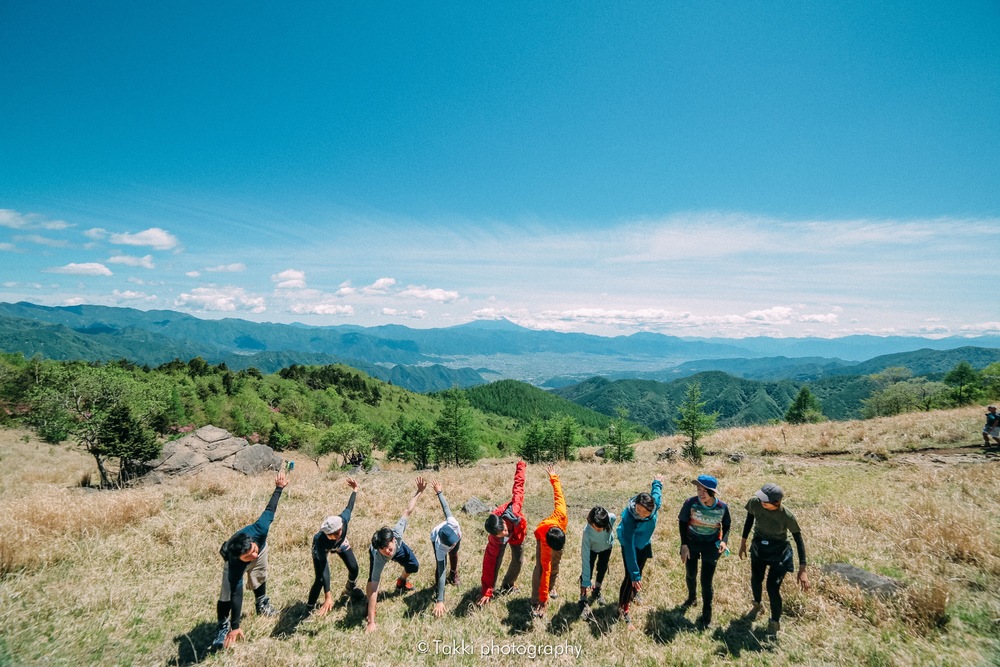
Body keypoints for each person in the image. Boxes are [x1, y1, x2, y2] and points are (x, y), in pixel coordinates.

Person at [212, 468, 289, 650]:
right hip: (235, 561)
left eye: (252, 551)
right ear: (239, 556)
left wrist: (279, 488)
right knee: (227, 595)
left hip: (262, 546)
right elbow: (237, 594)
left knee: (259, 575)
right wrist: (235, 626)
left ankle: (261, 603)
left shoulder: (260, 529)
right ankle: (223, 626)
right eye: (248, 556)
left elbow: (270, 508)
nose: (252, 557)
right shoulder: (234, 563)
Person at [738, 483, 810, 633]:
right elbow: (749, 520)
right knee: (756, 578)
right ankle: (757, 604)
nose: (761, 502)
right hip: (759, 546)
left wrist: (802, 568)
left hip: (779, 550)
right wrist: (743, 542)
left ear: (777, 502)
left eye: (766, 501)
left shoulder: (787, 516)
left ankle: (774, 622)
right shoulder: (755, 503)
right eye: (761, 498)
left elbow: (798, 539)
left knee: (772, 587)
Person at [365, 476, 428, 633]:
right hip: (376, 557)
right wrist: (371, 622)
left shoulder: (397, 533)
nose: (387, 550)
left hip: (399, 549)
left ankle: (401, 581)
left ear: (393, 539)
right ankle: (370, 609)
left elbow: (408, 510)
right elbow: (374, 587)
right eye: (383, 548)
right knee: (373, 582)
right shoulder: (378, 555)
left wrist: (419, 491)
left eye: (388, 546)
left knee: (413, 565)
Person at [678, 474, 731, 627]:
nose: (700, 493)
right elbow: (682, 523)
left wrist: (724, 541)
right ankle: (691, 598)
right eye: (698, 489)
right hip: (692, 542)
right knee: (691, 573)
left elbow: (727, 525)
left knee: (706, 581)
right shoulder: (690, 503)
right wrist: (684, 545)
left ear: (712, 492)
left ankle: (706, 615)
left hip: (711, 546)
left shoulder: (722, 507)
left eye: (704, 490)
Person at [308, 478, 361, 616]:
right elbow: (325, 568)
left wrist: (355, 489)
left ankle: (350, 588)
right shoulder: (320, 541)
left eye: (338, 533)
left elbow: (349, 507)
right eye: (331, 535)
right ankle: (308, 608)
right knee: (320, 579)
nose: (336, 536)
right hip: (323, 549)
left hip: (341, 546)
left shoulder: (343, 520)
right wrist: (328, 596)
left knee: (354, 568)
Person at [478, 461, 528, 606]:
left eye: (505, 530)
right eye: (501, 534)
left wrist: (521, 466)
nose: (505, 534)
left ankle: (508, 584)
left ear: (503, 522)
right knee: (495, 562)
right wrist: (486, 591)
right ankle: (491, 588)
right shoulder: (495, 538)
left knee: (518, 560)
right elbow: (488, 564)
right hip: (501, 544)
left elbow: (518, 487)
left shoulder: (514, 510)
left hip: (518, 535)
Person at [617, 475, 663, 630]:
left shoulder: (655, 505)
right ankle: (623, 609)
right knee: (630, 576)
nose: (641, 514)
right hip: (629, 543)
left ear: (652, 509)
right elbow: (629, 547)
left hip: (643, 542)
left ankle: (634, 592)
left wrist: (657, 482)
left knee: (640, 569)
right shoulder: (630, 518)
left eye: (645, 512)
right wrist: (635, 574)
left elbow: (656, 493)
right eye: (638, 509)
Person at [530, 465, 568, 617]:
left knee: (556, 563)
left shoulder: (561, 513)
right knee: (541, 568)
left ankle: (550, 587)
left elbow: (558, 495)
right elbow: (546, 570)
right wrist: (543, 600)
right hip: (543, 537)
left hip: (555, 536)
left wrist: (553, 477)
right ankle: (536, 599)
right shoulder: (545, 544)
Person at [429, 481, 462, 618]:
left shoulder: (453, 524)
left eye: (453, 543)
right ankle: (439, 588)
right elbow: (442, 571)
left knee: (454, 555)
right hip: (435, 535)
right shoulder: (439, 547)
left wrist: (439, 492)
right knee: (440, 567)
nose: (453, 546)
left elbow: (446, 508)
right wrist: (440, 600)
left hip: (453, 535)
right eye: (450, 545)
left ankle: (453, 574)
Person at [579, 505, 615, 618]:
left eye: (602, 528)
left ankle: (597, 590)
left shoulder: (611, 518)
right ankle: (583, 598)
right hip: (592, 550)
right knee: (588, 569)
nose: (600, 530)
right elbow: (585, 557)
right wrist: (585, 581)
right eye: (597, 527)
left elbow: (613, 520)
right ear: (591, 522)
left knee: (602, 568)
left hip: (607, 548)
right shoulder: (587, 532)